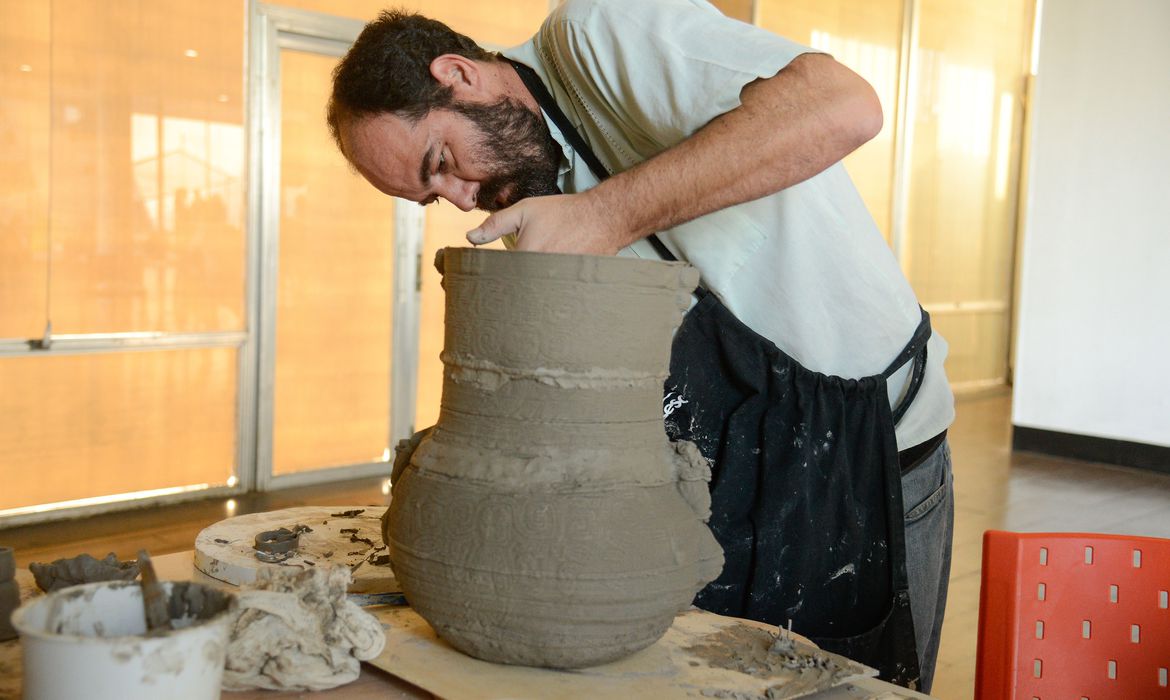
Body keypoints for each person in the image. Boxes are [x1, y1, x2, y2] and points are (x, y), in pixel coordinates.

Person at [328, 0, 955, 691]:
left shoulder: (598, 31)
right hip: (726, 489)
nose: (461, 197)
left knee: (846, 687)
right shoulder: (526, 198)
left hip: (873, 458)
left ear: (459, 74)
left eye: (442, 161)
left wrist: (607, 212)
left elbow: (844, 105)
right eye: (432, 196)